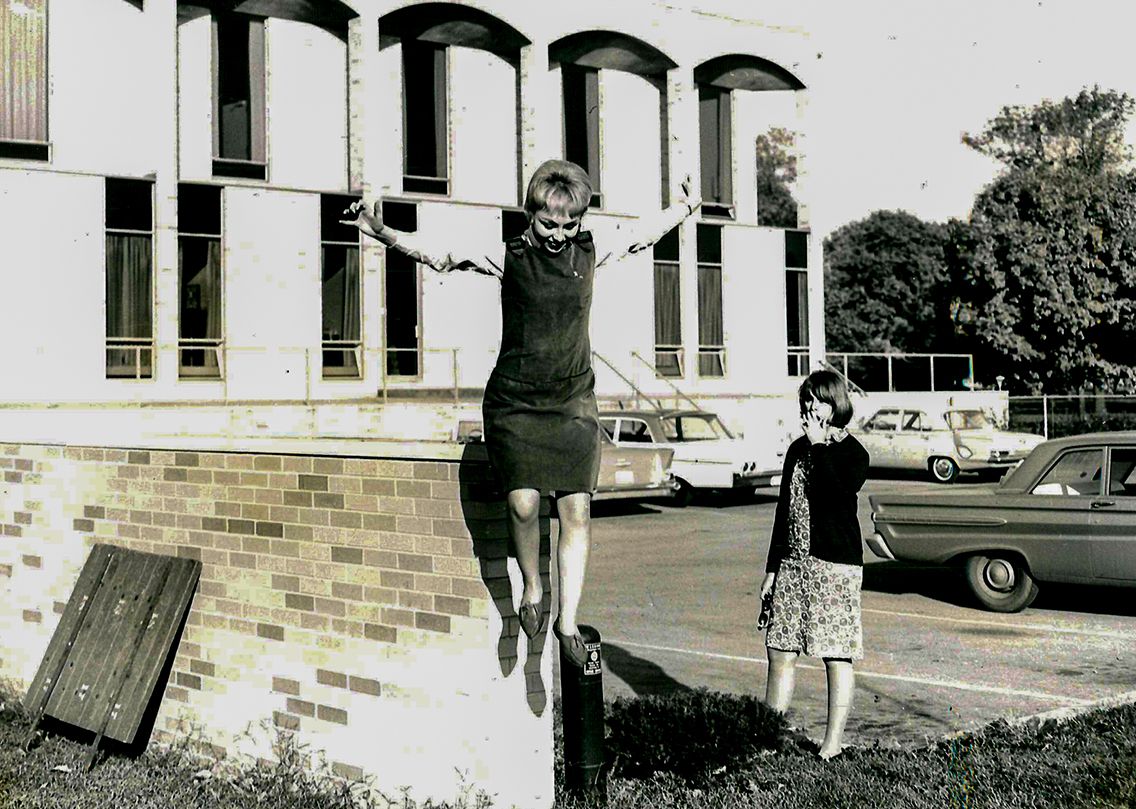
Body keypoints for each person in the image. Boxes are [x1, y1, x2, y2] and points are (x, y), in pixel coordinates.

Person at [342, 160, 700, 666]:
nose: (558, 235)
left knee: (576, 508)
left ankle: (567, 622)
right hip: (515, 401)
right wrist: (380, 230)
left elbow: (641, 237)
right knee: (525, 505)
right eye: (548, 224)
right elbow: (440, 254)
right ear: (530, 214)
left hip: (573, 399)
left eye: (569, 225)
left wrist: (682, 210)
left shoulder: (590, 252)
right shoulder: (507, 253)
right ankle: (532, 587)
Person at [759, 369, 869, 759]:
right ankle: (768, 739)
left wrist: (820, 446)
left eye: (819, 400)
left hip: (834, 566)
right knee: (780, 648)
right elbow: (783, 512)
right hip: (793, 563)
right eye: (807, 399)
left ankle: (832, 745)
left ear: (836, 404)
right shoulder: (796, 450)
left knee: (836, 652)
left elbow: (835, 495)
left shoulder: (853, 453)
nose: (811, 407)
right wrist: (772, 569)